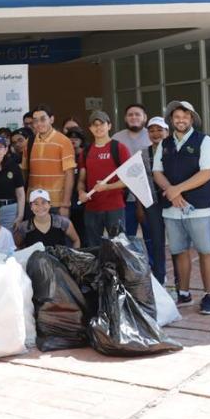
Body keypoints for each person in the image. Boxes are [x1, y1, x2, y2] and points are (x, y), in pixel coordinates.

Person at [152, 100, 210, 315]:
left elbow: (207, 172)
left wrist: (176, 190)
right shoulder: (165, 144)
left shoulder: (204, 141)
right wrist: (171, 192)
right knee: (179, 251)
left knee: (205, 250)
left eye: (185, 116)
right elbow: (157, 172)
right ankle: (184, 293)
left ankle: (209, 295)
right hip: (172, 209)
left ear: (192, 119)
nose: (180, 120)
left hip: (199, 207)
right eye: (176, 117)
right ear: (171, 120)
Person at [77, 111, 131, 247]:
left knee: (119, 247)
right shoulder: (86, 151)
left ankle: (118, 269)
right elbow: (81, 180)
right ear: (90, 128)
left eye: (102, 124)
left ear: (109, 126)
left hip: (114, 207)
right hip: (92, 207)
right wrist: (81, 193)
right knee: (94, 247)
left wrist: (107, 187)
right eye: (94, 125)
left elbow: (129, 180)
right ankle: (99, 269)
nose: (98, 127)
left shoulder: (119, 148)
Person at [22, 104, 76, 219]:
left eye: (43, 119)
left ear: (52, 119)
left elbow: (69, 174)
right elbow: (25, 171)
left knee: (57, 237)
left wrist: (65, 205)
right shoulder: (29, 142)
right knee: (33, 237)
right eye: (35, 121)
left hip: (55, 204)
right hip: (33, 203)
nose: (39, 124)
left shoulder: (64, 141)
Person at [113, 104, 152, 241]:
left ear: (145, 117)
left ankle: (153, 263)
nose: (134, 117)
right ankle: (130, 263)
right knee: (126, 237)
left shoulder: (152, 135)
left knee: (151, 237)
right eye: (130, 114)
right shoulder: (116, 138)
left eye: (137, 114)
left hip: (149, 196)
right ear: (125, 118)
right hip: (125, 197)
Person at [140, 116, 170, 284]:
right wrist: (140, 206)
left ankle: (181, 282)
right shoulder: (144, 153)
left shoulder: (173, 149)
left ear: (167, 131)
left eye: (159, 129)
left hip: (173, 200)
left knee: (177, 243)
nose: (156, 133)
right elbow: (140, 181)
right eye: (151, 130)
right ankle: (160, 278)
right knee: (157, 242)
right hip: (152, 203)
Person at [14, 190, 81, 248]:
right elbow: (16, 246)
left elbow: (76, 240)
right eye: (36, 203)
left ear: (49, 205)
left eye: (43, 202)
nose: (40, 207)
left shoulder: (62, 223)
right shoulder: (25, 227)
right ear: (31, 207)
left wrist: (72, 258)